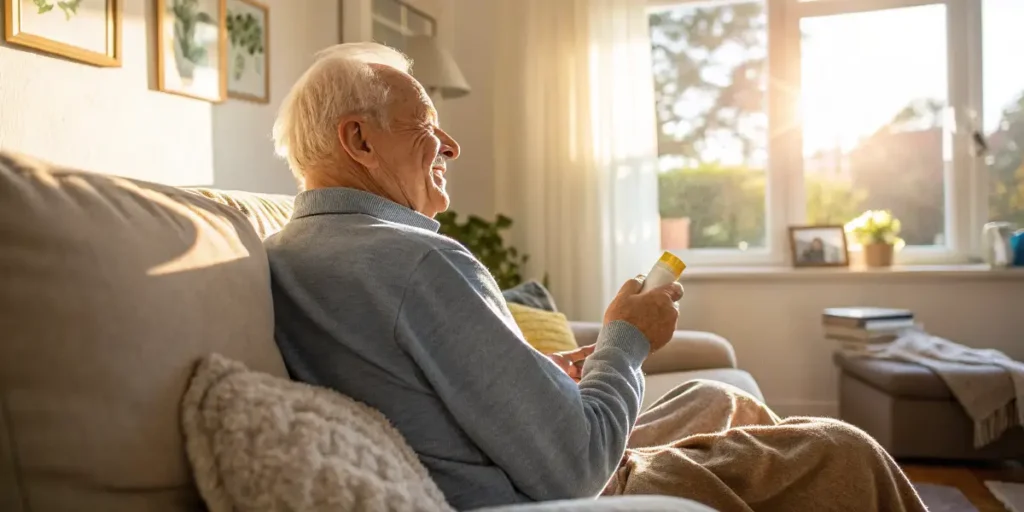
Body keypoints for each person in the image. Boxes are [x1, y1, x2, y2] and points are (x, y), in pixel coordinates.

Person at [265, 43, 927, 512]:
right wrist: (625, 341)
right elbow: (576, 470)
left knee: (718, 398)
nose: (451, 147)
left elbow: (413, 379)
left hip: (504, 456)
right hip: (536, 491)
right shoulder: (414, 261)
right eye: (429, 128)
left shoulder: (296, 248)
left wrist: (538, 368)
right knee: (844, 450)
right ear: (359, 140)